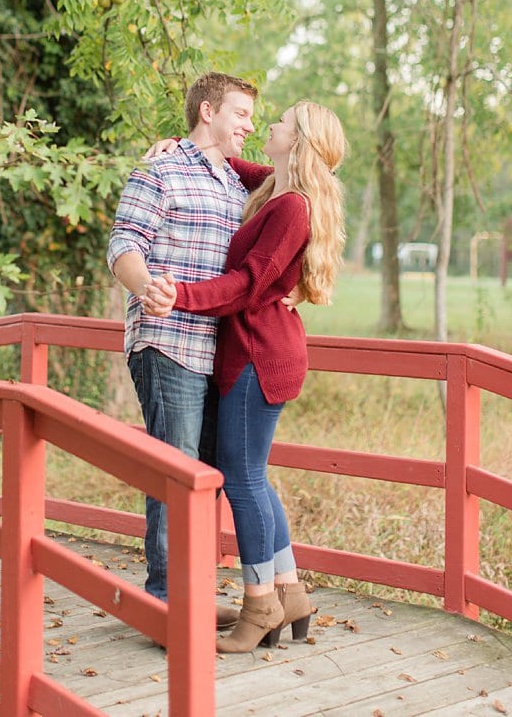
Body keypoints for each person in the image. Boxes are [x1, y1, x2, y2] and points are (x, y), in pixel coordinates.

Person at [143, 100, 346, 651]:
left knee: (243, 479)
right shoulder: (278, 189)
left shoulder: (292, 210)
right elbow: (229, 163)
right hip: (260, 349)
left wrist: (178, 296)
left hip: (260, 355)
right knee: (252, 474)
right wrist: (181, 147)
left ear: (297, 141)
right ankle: (290, 591)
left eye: (279, 122)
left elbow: (246, 285)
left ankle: (260, 607)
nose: (268, 128)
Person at [108, 72, 258, 607]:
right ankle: (168, 602)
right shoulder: (160, 169)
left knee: (215, 473)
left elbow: (298, 190)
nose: (250, 125)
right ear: (208, 112)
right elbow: (124, 243)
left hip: (225, 351)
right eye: (241, 114)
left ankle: (191, 589)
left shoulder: (239, 185)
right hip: (168, 340)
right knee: (177, 470)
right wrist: (146, 287)